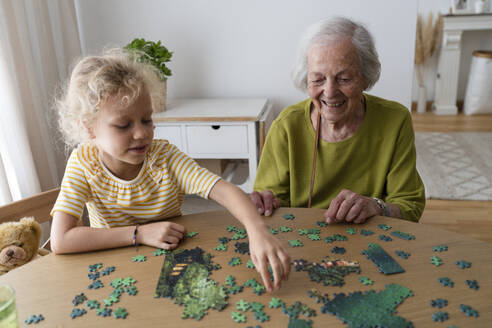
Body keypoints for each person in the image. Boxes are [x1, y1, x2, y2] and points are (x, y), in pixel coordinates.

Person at [50, 48, 290, 292]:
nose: (142, 133)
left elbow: (225, 191)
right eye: (123, 125)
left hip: (175, 261)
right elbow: (61, 239)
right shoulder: (83, 163)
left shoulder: (164, 156)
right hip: (115, 271)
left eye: (147, 120)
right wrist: (139, 234)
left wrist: (257, 231)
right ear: (89, 128)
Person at [251, 17, 425, 224]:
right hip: (304, 243)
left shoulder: (394, 121)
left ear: (365, 77)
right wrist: (266, 203)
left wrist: (377, 207)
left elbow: (410, 205)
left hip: (373, 240)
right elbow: (272, 205)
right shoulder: (287, 126)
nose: (330, 92)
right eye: (318, 79)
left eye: (344, 79)